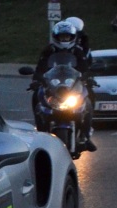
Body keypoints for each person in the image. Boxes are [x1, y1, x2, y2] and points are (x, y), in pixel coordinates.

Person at [31, 19, 96, 152]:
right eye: (62, 36)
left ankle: (86, 135)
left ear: (72, 37)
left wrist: (88, 78)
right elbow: (40, 68)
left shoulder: (78, 51)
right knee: (36, 95)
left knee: (88, 99)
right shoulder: (48, 50)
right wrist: (36, 79)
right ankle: (40, 129)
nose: (64, 39)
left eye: (67, 36)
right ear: (56, 37)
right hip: (54, 83)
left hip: (72, 84)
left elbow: (84, 67)